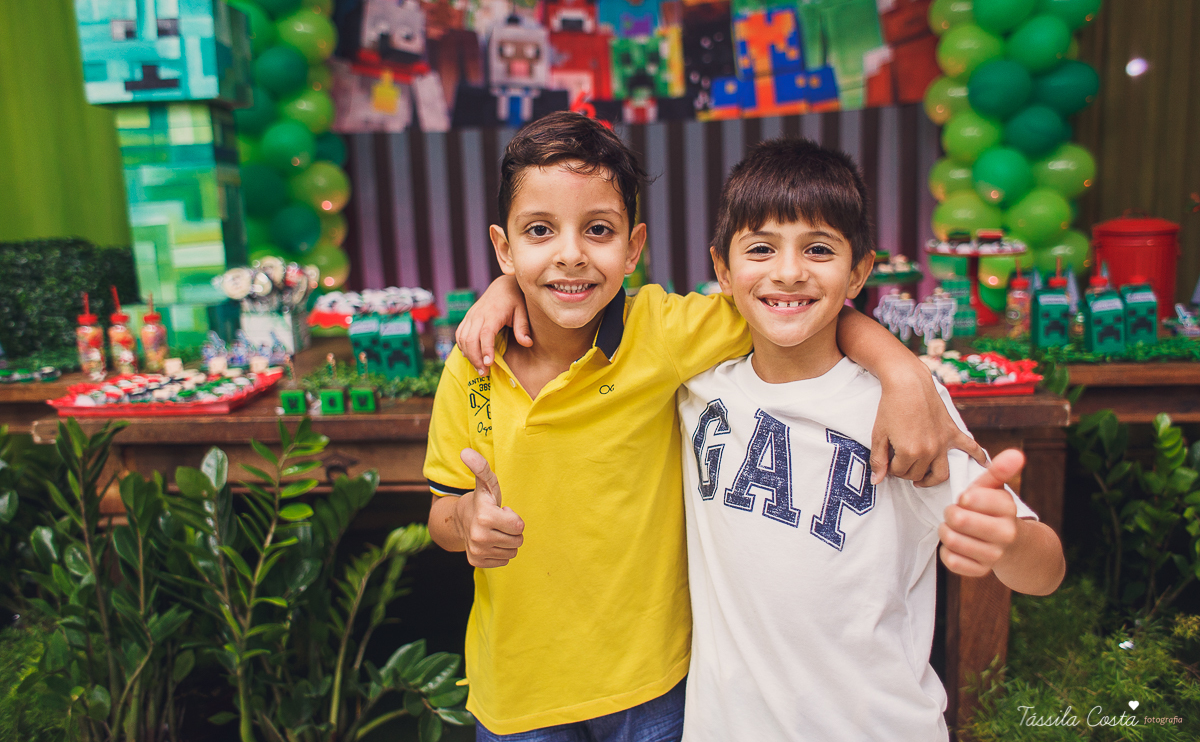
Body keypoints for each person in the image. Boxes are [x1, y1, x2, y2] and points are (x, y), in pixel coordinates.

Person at [424, 111, 984, 741]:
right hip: (516, 692)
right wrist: (467, 522)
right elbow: (442, 514)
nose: (571, 255)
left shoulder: (663, 333)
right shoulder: (470, 366)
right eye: (540, 231)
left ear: (634, 248)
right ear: (505, 247)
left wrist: (902, 371)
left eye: (598, 230)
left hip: (653, 687)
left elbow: (791, 307)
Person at [678, 138, 1065, 742]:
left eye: (819, 249)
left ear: (859, 271)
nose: (787, 271)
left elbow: (1045, 572)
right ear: (723, 271)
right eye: (760, 248)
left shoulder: (903, 409)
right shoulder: (693, 390)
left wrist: (1005, 537)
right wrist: (504, 291)